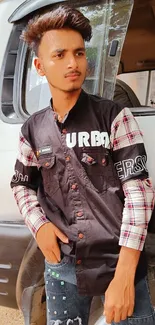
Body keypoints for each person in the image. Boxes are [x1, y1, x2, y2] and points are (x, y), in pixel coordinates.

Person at [10, 5, 155, 325]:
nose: (72, 63)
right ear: (40, 66)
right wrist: (40, 226)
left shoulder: (115, 118)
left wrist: (125, 274)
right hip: (61, 269)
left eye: (78, 53)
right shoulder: (32, 129)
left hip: (118, 262)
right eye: (59, 54)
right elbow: (21, 184)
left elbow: (139, 192)